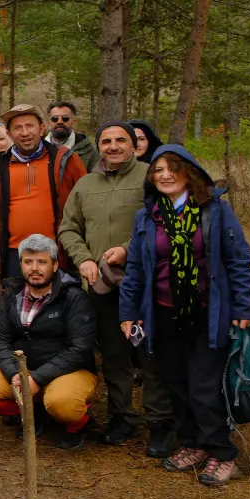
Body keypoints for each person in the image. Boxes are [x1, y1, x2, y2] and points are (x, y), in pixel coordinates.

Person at [119, 146, 250, 487]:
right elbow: (135, 269)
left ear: (189, 172)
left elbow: (238, 261)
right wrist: (129, 311)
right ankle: (193, 443)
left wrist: (243, 306)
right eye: (158, 170)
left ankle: (222, 454)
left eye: (172, 168)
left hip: (209, 313)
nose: (164, 175)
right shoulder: (148, 216)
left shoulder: (215, 211)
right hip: (163, 314)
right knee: (176, 382)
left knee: (204, 386)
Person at [59, 122, 173, 453]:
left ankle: (160, 423)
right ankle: (122, 417)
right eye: (106, 141)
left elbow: (163, 222)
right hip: (101, 286)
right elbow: (68, 229)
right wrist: (83, 260)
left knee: (149, 355)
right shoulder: (85, 185)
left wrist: (126, 248)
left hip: (147, 284)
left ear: (133, 145)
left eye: (120, 140)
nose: (112, 146)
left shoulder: (150, 179)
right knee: (114, 356)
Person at [0, 234, 98, 449]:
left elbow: (79, 349)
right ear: (21, 265)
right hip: (23, 367)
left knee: (63, 404)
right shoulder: (12, 294)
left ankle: (77, 424)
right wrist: (13, 374)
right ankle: (34, 413)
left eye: (42, 262)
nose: (34, 268)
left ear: (55, 265)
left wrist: (36, 379)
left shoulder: (73, 297)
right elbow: (2, 338)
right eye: (28, 262)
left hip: (69, 371)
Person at [0, 103, 87, 287]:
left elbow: (85, 202)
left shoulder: (65, 160)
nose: (25, 133)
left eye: (30, 126)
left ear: (41, 129)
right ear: (9, 134)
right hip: (12, 256)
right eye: (18, 128)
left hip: (56, 253)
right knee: (16, 312)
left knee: (54, 313)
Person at [47, 101, 99, 173]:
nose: (59, 121)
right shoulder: (38, 149)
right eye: (54, 118)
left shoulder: (91, 151)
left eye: (65, 118)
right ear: (49, 123)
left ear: (74, 123)